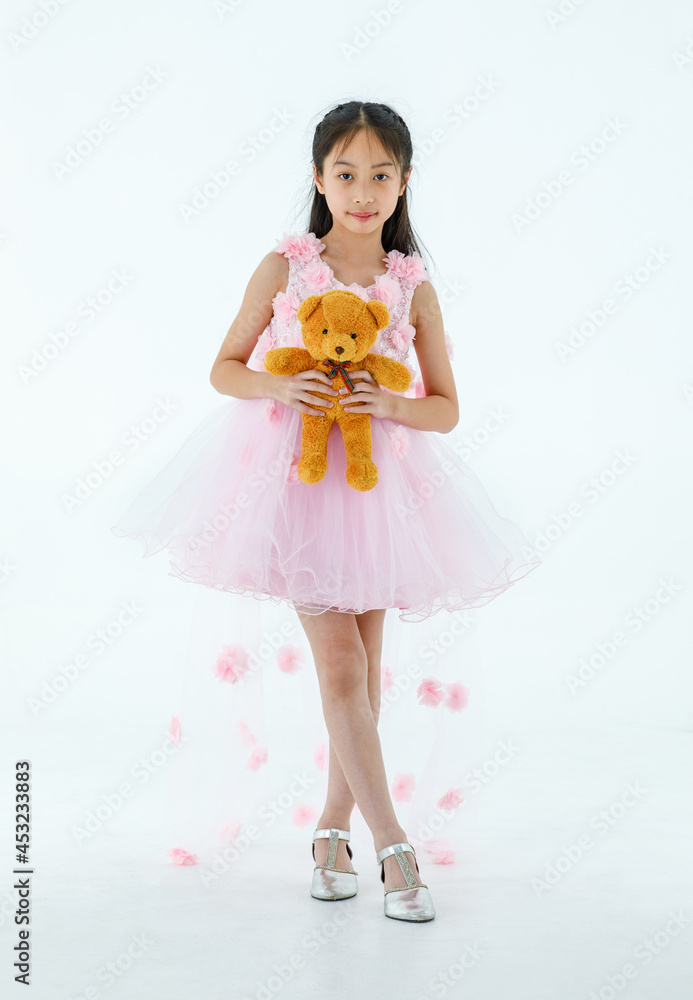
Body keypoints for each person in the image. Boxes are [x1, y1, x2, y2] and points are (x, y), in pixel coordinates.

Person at [112, 100, 542, 922]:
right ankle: (394, 848)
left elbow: (446, 407)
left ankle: (329, 829)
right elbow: (224, 367)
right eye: (344, 172)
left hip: (383, 494)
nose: (362, 190)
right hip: (296, 490)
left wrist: (390, 402)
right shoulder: (285, 267)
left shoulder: (410, 286)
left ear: (405, 182)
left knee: (366, 677)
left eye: (381, 174)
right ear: (317, 178)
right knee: (342, 668)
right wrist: (278, 383)